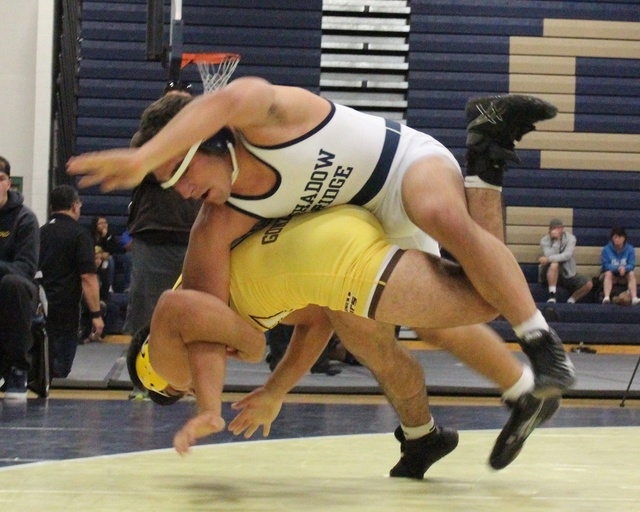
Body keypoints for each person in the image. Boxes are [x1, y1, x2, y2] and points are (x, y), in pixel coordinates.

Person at [67, 83, 574, 468]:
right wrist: (223, 400)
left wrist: (140, 158)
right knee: (415, 324)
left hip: (401, 167)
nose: (180, 193)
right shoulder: (216, 223)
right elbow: (204, 325)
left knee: (445, 224)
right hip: (361, 221)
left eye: (176, 174)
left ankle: (539, 345)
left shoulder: (264, 120)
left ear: (205, 140)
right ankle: (472, 413)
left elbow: (226, 99)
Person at [128, 205, 559, 476]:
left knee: (479, 299)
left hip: (337, 252)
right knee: (403, 327)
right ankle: (435, 431)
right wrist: (275, 389)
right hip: (348, 222)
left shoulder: (170, 363)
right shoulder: (228, 295)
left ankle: (486, 166)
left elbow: (170, 308)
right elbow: (318, 320)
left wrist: (249, 351)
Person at [39, 185, 104, 378]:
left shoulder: (40, 232)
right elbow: (88, 276)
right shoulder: (80, 235)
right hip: (65, 308)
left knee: (42, 366)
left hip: (40, 306)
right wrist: (96, 314)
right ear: (75, 206)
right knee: (60, 369)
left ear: (52, 208)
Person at [0, 155, 40, 401]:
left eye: (0, 178)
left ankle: (17, 369)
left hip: (17, 288)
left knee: (11, 285)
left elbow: (25, 268)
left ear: (7, 183)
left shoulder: (24, 219)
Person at [538, 218, 593, 303]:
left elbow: (567, 256)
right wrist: (556, 241)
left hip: (568, 272)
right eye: (554, 228)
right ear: (549, 230)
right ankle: (552, 295)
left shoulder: (571, 238)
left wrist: (548, 259)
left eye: (558, 228)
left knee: (588, 284)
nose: (556, 230)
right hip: (548, 272)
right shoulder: (544, 240)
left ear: (563, 229)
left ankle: (572, 300)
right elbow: (550, 255)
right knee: (554, 264)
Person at [600, 226, 639, 305]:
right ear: (612, 238)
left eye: (620, 237)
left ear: (624, 238)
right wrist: (617, 268)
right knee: (608, 273)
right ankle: (606, 297)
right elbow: (605, 265)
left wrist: (624, 268)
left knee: (631, 274)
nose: (617, 239)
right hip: (612, 274)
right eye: (615, 237)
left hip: (624, 274)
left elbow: (631, 264)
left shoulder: (630, 249)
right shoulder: (606, 249)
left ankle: (634, 298)